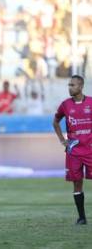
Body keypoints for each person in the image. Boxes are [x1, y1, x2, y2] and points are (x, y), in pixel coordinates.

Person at [53, 75, 92, 225]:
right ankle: (82, 218)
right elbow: (55, 121)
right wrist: (62, 140)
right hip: (74, 152)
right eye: (69, 85)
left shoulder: (91, 102)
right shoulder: (65, 105)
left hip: (90, 150)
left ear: (81, 86)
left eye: (73, 85)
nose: (70, 87)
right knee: (77, 183)